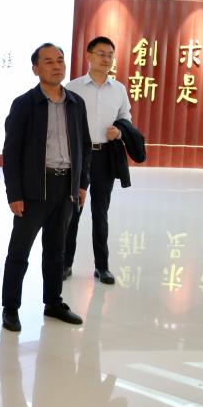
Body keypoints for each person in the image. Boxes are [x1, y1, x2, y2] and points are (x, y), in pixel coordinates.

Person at [0, 43, 91, 333]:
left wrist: (81, 184)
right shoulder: (24, 104)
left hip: (66, 187)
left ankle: (53, 302)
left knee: (56, 251)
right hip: (34, 189)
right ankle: (10, 307)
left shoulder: (76, 103)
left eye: (60, 60)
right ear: (35, 69)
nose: (56, 66)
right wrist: (14, 193)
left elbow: (84, 146)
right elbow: (11, 152)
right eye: (48, 61)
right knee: (19, 251)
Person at [64, 36, 131, 285]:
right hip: (78, 157)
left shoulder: (119, 89)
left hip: (105, 155)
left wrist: (119, 131)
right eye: (101, 53)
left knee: (100, 212)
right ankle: (65, 264)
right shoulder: (73, 87)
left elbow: (126, 118)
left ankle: (102, 267)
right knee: (73, 211)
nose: (106, 59)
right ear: (88, 56)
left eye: (110, 54)